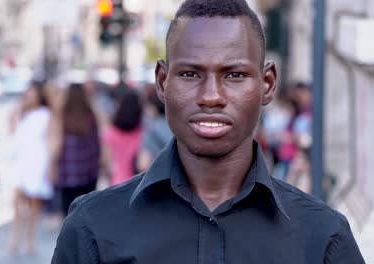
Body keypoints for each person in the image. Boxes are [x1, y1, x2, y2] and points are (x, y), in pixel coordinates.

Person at [52, 0, 364, 263]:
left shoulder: (323, 238)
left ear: (267, 83)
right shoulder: (92, 228)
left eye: (235, 75)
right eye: (190, 74)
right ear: (162, 82)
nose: (211, 96)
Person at [7, 81, 53, 254]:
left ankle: (29, 239)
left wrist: (50, 165)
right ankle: (15, 237)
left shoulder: (46, 114)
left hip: (38, 160)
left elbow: (49, 140)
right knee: (17, 200)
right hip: (21, 160)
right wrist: (18, 109)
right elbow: (11, 131)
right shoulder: (21, 112)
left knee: (34, 203)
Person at [51, 83, 100, 219]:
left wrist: (52, 165)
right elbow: (96, 143)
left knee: (67, 211)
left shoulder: (62, 116)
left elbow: (57, 143)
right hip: (88, 171)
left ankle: (69, 239)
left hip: (67, 172)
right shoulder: (90, 116)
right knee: (87, 210)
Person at [101, 91, 142, 185]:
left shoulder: (109, 133)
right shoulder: (143, 133)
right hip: (137, 183)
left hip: (116, 183)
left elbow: (106, 161)